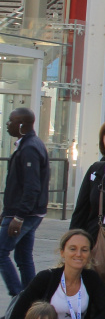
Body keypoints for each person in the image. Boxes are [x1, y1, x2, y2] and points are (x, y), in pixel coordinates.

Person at [1, 107, 49, 295]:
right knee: (23, 257)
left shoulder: (29, 148)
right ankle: (31, 300)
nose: (7, 124)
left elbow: (32, 186)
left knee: (1, 252)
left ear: (21, 125)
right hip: (27, 212)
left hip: (24, 213)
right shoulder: (29, 144)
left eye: (10, 121)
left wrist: (18, 216)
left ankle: (18, 298)